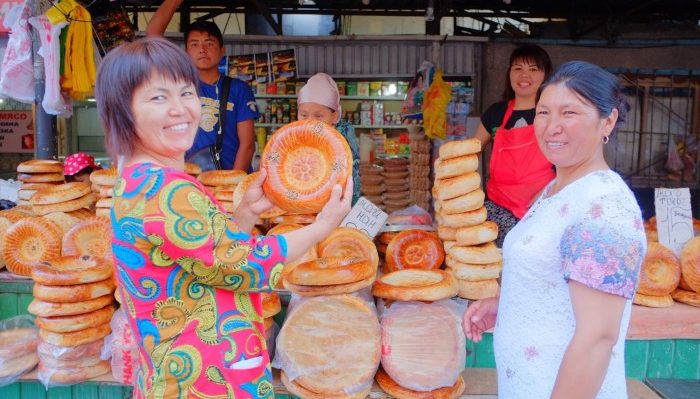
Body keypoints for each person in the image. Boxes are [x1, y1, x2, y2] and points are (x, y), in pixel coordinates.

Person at [94, 37, 352, 398]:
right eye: (158, 97)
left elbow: (210, 261)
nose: (180, 108)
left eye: (186, 93)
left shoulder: (139, 181)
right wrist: (323, 226)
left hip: (181, 374)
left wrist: (244, 213)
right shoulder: (165, 190)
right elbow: (246, 264)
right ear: (122, 110)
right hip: (205, 381)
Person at [463, 61, 647, 398]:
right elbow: (555, 278)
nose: (551, 127)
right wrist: (510, 304)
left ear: (608, 120)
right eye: (544, 112)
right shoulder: (554, 191)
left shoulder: (603, 207)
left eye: (569, 113)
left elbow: (598, 337)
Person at [146, 0, 258, 172]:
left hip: (230, 181)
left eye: (209, 43)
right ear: (186, 52)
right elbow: (153, 35)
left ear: (222, 51)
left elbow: (248, 144)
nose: (202, 49)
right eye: (194, 44)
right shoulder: (177, 85)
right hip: (188, 181)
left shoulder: (238, 89)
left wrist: (231, 184)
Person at [473, 44, 554, 246]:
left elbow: (570, 162)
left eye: (533, 69)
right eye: (518, 68)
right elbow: (471, 153)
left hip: (543, 206)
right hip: (498, 207)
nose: (524, 75)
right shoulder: (496, 113)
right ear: (509, 73)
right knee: (498, 264)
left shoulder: (553, 114)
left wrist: (549, 194)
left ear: (546, 75)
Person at [297, 72, 361, 204]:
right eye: (304, 115)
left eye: (318, 116)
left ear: (335, 116)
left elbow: (347, 188)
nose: (310, 122)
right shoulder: (292, 138)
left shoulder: (345, 141)